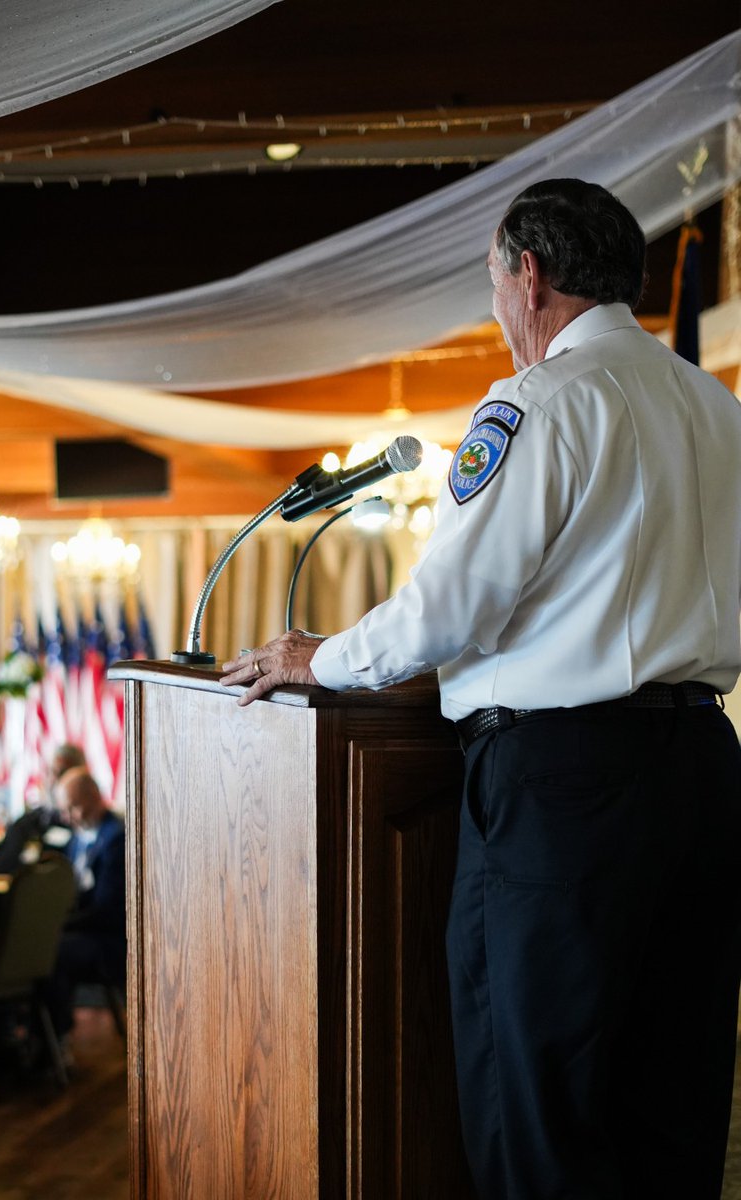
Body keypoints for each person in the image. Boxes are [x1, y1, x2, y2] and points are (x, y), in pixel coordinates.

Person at [220, 179, 741, 1199]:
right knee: (671, 1105)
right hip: (706, 772)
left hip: (567, 788)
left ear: (529, 276)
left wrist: (311, 660)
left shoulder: (540, 401)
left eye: (495, 283)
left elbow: (445, 609)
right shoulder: (721, 409)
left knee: (535, 1110)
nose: (500, 310)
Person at [43, 766, 126, 1042]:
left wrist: (59, 924)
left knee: (52, 952)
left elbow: (108, 911)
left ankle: (55, 1040)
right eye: (64, 810)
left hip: (110, 941)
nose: (68, 817)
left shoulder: (116, 839)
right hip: (84, 927)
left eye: (74, 807)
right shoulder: (78, 835)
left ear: (95, 797)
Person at [0, 743, 84, 873]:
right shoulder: (28, 823)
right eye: (51, 772)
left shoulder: (89, 829)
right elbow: (1, 865)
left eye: (63, 773)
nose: (54, 780)